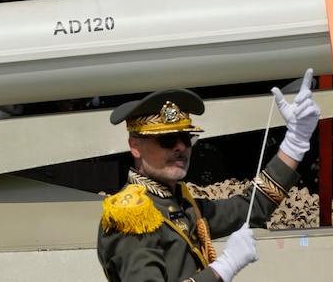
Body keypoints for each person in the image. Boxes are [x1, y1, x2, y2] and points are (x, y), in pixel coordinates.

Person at [97, 68, 321, 282]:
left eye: (186, 139)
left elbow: (251, 207)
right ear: (135, 146)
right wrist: (221, 269)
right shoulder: (131, 217)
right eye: (167, 140)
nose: (180, 148)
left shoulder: (179, 202)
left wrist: (295, 142)